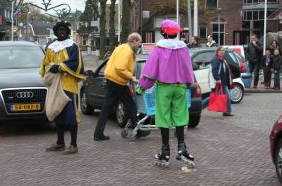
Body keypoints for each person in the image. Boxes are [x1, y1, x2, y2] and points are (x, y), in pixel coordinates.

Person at [137, 19, 195, 168]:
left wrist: (142, 86)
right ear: (177, 32)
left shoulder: (159, 48)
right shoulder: (184, 48)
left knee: (163, 117)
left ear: (163, 32)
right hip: (180, 87)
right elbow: (188, 68)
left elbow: (150, 71)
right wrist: (188, 83)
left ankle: (165, 150)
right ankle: (182, 147)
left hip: (164, 87)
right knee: (180, 116)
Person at [40, 21, 85, 154]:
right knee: (57, 113)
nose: (62, 31)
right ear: (56, 31)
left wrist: (60, 67)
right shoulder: (51, 47)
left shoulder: (73, 46)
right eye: (59, 29)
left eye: (64, 29)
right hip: (55, 86)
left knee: (71, 116)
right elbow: (45, 63)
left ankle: (74, 144)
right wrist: (49, 68)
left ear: (67, 31)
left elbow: (76, 63)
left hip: (69, 85)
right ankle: (60, 142)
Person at [93, 32, 143, 141]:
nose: (140, 45)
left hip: (111, 80)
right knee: (131, 104)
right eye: (139, 42)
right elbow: (120, 68)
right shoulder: (127, 50)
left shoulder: (120, 48)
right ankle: (137, 130)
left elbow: (113, 64)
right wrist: (131, 77)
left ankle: (98, 133)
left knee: (106, 108)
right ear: (134, 41)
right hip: (118, 81)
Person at [208, 46, 234, 116]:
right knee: (212, 97)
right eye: (220, 50)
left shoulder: (223, 60)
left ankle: (227, 111)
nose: (222, 51)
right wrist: (218, 79)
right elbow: (214, 71)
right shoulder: (216, 60)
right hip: (218, 82)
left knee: (226, 96)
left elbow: (226, 70)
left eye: (223, 50)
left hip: (224, 82)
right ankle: (199, 107)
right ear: (217, 52)